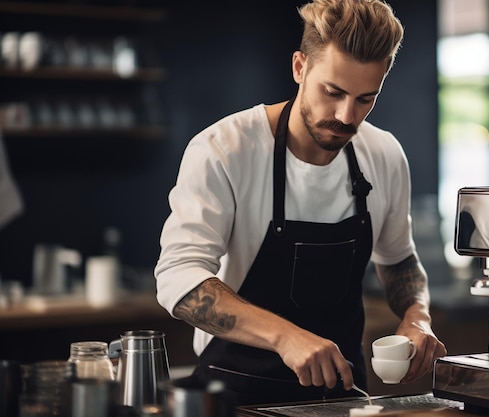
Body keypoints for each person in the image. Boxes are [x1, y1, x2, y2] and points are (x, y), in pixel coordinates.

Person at [155, 0, 447, 406]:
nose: (347, 116)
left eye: (366, 98)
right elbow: (178, 279)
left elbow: (398, 260)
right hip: (235, 395)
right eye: (333, 92)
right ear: (299, 67)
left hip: (342, 397)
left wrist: (417, 317)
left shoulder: (384, 155)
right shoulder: (224, 149)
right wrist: (285, 337)